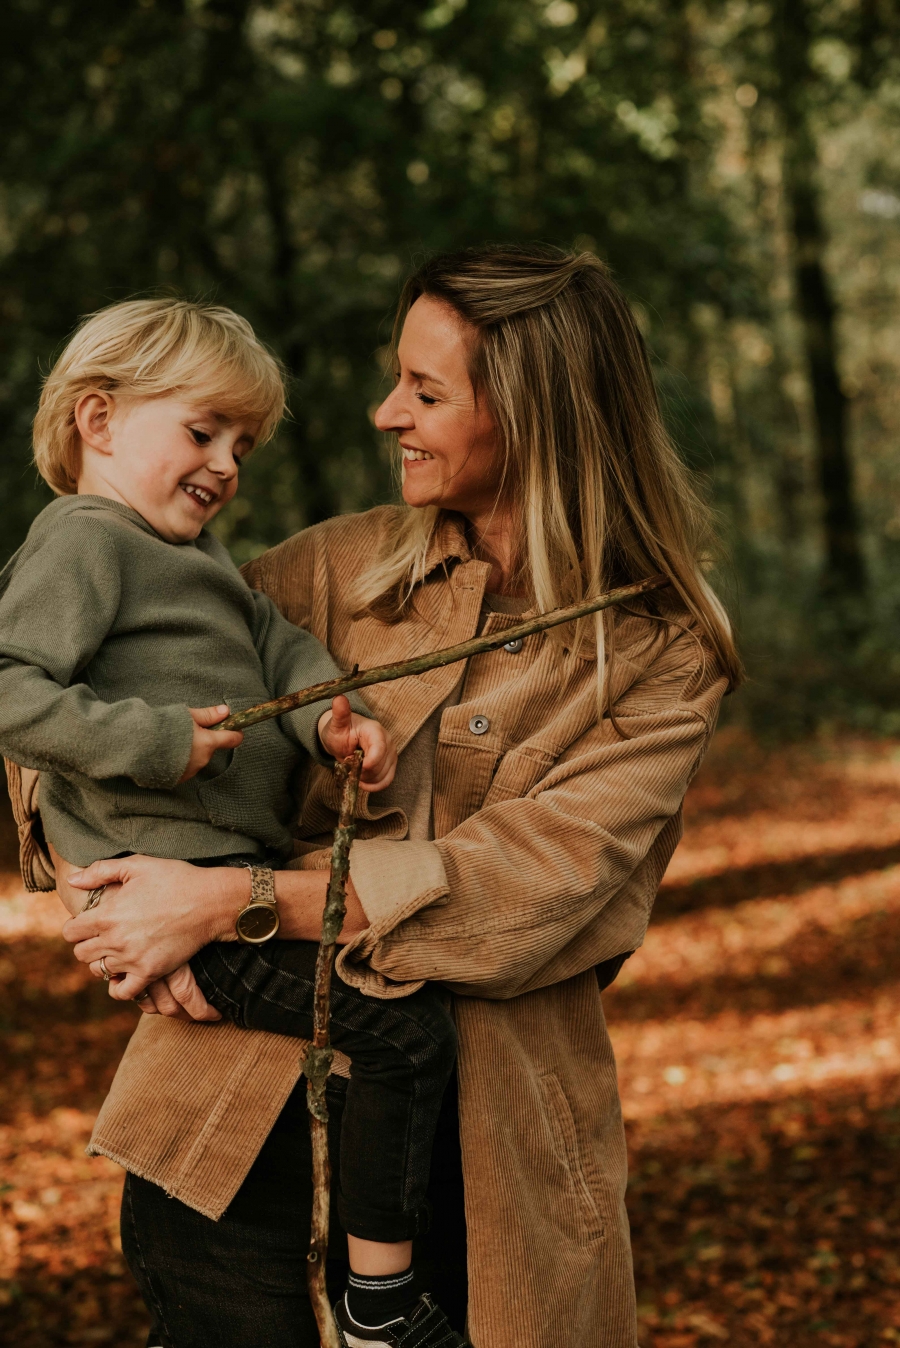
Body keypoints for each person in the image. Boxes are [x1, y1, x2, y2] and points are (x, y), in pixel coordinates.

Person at [15, 245, 741, 1348]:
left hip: (493, 1157)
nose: (383, 411)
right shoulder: (327, 569)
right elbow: (66, 694)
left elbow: (532, 887)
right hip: (220, 1120)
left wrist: (228, 903)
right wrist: (107, 893)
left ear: (536, 413)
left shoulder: (660, 654)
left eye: (426, 390)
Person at [0, 298, 466, 1346]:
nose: (225, 464)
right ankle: (381, 1305)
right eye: (201, 431)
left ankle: (368, 1287)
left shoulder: (200, 560)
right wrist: (154, 742)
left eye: (242, 445)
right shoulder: (83, 542)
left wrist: (333, 722)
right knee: (399, 1032)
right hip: (174, 893)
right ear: (99, 419)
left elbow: (285, 648)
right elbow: (9, 688)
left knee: (386, 1035)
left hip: (222, 890)